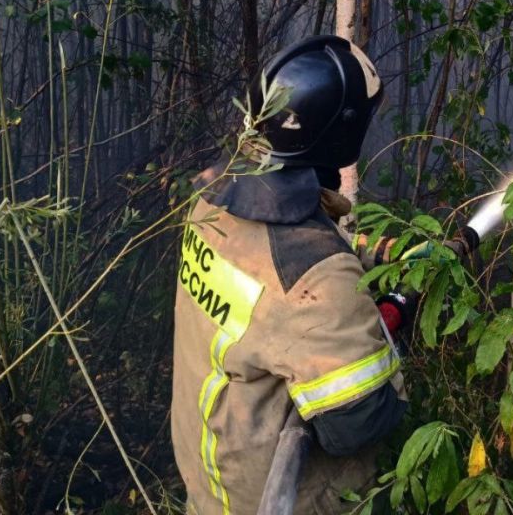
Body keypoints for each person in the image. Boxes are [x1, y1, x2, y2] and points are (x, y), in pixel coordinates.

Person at [171, 35, 406, 515]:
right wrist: (387, 330)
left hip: (210, 480)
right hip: (273, 499)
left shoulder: (213, 201)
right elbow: (357, 425)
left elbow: (270, 294)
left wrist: (373, 253)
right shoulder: (314, 278)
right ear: (342, 136)